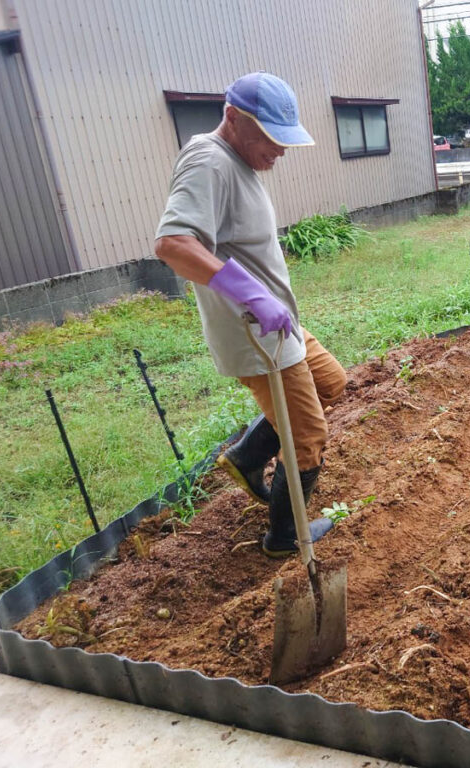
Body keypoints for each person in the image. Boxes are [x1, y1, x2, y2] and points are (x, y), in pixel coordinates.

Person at [154, 72, 345, 558]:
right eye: (271, 139)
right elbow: (173, 244)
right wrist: (249, 294)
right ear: (233, 118)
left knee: (331, 382)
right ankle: (286, 537)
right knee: (307, 437)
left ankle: (247, 456)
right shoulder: (208, 162)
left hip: (278, 323)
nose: (280, 151)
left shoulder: (238, 163)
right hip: (256, 335)